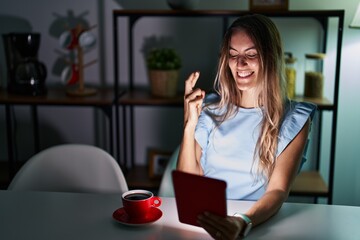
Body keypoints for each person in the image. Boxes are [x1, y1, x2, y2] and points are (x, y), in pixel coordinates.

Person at [177, 14, 316, 239]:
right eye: (233, 55)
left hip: (257, 225)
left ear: (271, 57)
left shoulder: (294, 118)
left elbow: (278, 191)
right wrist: (188, 124)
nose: (240, 64)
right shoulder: (211, 108)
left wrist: (243, 221)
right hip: (205, 223)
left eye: (251, 55)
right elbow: (188, 182)